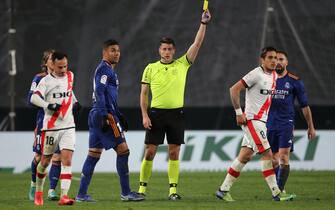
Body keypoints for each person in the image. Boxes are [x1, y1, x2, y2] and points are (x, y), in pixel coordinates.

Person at [138, 9, 211, 200]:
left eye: (170, 49)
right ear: (159, 50)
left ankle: (173, 191)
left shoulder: (182, 64)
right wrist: (145, 115)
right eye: (164, 49)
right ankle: (141, 190)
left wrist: (203, 24)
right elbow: (144, 94)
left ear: (174, 51)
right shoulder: (150, 68)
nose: (167, 52)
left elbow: (197, 43)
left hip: (176, 114)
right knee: (150, 152)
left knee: (174, 152)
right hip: (155, 114)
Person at [215, 47, 295, 202]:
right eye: (270, 58)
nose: (274, 61)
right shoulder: (255, 74)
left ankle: (223, 190)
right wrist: (239, 112)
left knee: (244, 156)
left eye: (276, 58)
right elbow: (234, 90)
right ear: (262, 60)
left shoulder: (273, 76)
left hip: (261, 122)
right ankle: (277, 193)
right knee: (268, 154)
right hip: (252, 120)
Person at [75, 39, 143, 202]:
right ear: (104, 52)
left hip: (98, 113)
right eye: (112, 50)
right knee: (123, 151)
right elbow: (99, 91)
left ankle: (81, 194)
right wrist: (107, 115)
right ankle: (126, 193)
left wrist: (118, 114)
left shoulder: (109, 71)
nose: (116, 53)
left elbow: (108, 96)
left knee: (93, 154)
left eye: (118, 50)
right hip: (102, 114)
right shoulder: (105, 70)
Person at [30, 51, 76, 206]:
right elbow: (33, 98)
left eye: (65, 66)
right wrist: (47, 105)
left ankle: (64, 196)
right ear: (53, 65)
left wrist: (75, 103)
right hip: (51, 127)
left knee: (67, 159)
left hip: (68, 125)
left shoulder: (71, 76)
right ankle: (38, 191)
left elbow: (68, 93)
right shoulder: (45, 81)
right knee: (44, 161)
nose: (63, 70)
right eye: (60, 67)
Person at [267, 50, 316, 192]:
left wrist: (310, 126)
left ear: (286, 62)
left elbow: (304, 106)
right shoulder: (267, 79)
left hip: (285, 123)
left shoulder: (294, 81)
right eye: (276, 59)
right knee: (272, 159)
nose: (278, 62)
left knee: (283, 157)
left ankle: (279, 190)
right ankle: (277, 188)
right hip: (268, 124)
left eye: (281, 59)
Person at [27, 49, 62, 201]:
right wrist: (48, 105)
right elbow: (30, 99)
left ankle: (52, 190)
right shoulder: (39, 78)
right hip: (43, 124)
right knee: (40, 157)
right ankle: (34, 185)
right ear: (46, 62)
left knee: (58, 156)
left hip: (60, 123)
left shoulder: (63, 78)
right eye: (51, 59)